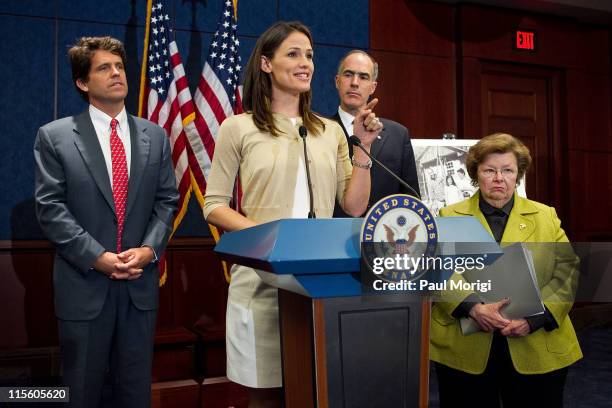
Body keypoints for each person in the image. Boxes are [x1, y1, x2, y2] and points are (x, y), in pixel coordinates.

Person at [202, 22, 381, 407]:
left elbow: (353, 206)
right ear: (266, 64)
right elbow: (214, 205)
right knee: (265, 397)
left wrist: (363, 149)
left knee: (317, 391)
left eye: (310, 56)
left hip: (321, 283)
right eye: (294, 54)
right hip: (262, 280)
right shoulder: (239, 127)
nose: (306, 64)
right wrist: (272, 240)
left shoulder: (329, 131)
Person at [34, 36, 178, 407]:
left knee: (134, 392)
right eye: (103, 68)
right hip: (84, 287)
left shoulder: (156, 136)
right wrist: (97, 256)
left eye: (119, 66)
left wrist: (149, 249)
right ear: (83, 82)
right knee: (80, 392)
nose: (116, 73)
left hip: (138, 288)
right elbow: (51, 208)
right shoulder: (56, 136)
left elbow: (167, 202)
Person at [430, 133, 582, 408]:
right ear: (476, 174)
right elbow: (438, 268)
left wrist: (534, 318)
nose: (499, 178)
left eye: (507, 170)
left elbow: (567, 271)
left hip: (536, 342)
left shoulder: (546, 215)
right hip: (466, 346)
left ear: (518, 175)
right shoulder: (448, 216)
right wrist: (472, 307)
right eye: (489, 170)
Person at [331, 50, 419, 217]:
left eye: (363, 77)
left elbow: (411, 199)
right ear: (337, 81)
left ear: (373, 87)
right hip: (335, 235)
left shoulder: (398, 135)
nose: (355, 83)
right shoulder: (321, 131)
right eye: (348, 74)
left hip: (385, 236)